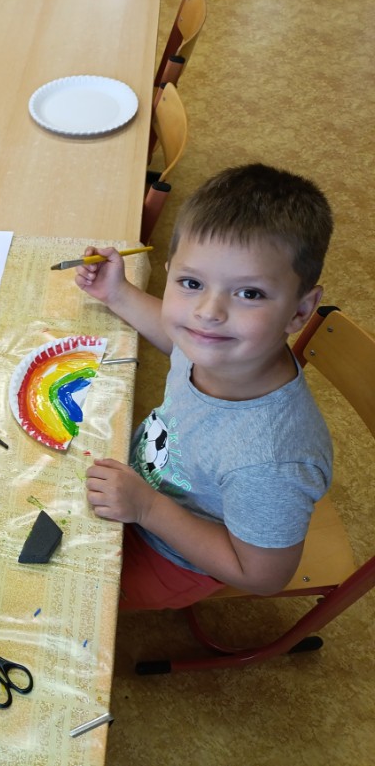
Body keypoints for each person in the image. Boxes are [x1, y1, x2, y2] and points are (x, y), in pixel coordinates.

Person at [75, 163, 333, 610]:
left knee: (72, 591)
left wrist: (148, 508)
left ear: (300, 310)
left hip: (173, 555)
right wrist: (117, 294)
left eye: (249, 293)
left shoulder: (270, 462)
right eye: (191, 283)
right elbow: (175, 337)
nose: (208, 312)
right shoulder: (222, 346)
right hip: (140, 487)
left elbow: (262, 576)